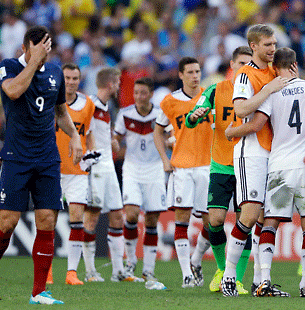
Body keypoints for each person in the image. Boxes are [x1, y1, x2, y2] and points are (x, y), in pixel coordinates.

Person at [0, 25, 83, 305]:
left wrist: (74, 136)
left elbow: (60, 111)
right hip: (16, 156)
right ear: (25, 48)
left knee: (47, 220)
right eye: (40, 50)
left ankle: (39, 292)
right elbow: (12, 91)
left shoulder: (55, 72)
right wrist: (33, 61)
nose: (45, 56)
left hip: (47, 156)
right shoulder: (9, 67)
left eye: (48, 51)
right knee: (8, 222)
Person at [225, 47, 305, 297]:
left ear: (275, 66)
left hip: (279, 164)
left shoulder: (271, 91)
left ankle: (264, 280)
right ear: (295, 65)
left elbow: (257, 124)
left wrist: (231, 133)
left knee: (269, 223)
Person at [220, 24, 289, 297]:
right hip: (252, 150)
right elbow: (240, 109)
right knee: (248, 213)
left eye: (274, 44)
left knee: (267, 217)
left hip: (276, 150)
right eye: (268, 45)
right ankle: (229, 276)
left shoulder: (275, 72)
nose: (273, 49)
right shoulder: (245, 75)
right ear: (254, 47)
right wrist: (269, 89)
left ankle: (261, 281)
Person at [185, 46, 253, 295]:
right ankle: (225, 271)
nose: (245, 68)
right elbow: (191, 117)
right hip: (221, 165)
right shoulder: (217, 90)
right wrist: (196, 115)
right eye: (241, 63)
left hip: (248, 164)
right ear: (232, 65)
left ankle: (238, 280)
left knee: (245, 223)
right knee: (214, 220)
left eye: (250, 63)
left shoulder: (256, 91)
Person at [153, 57, 213, 288]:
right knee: (182, 221)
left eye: (197, 71)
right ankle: (186, 274)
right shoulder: (170, 101)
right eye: (190, 72)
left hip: (208, 166)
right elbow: (158, 132)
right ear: (180, 75)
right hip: (182, 168)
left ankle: (196, 258)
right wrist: (164, 161)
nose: (195, 76)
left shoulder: (210, 97)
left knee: (212, 223)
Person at [82, 67, 136, 283]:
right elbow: (82, 130)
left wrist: (112, 140)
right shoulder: (90, 104)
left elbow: (102, 132)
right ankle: (89, 270)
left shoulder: (107, 107)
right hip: (95, 165)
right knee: (92, 216)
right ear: (110, 84)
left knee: (116, 215)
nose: (119, 86)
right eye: (117, 82)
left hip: (109, 166)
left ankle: (117, 271)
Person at [113, 77, 167, 289]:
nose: (138, 97)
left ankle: (149, 269)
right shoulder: (125, 114)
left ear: (151, 94)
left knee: (152, 219)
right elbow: (117, 137)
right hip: (133, 169)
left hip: (154, 170)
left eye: (142, 93)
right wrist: (115, 143)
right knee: (132, 214)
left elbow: (170, 135)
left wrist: (171, 142)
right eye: (136, 93)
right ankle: (130, 262)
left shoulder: (160, 114)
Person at [55, 63, 96, 286]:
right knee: (47, 220)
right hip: (52, 168)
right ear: (61, 80)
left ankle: (72, 272)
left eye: (75, 78)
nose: (71, 82)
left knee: (77, 219)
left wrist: (92, 153)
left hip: (78, 170)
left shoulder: (87, 104)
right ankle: (48, 269)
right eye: (67, 78)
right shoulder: (51, 100)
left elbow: (87, 134)